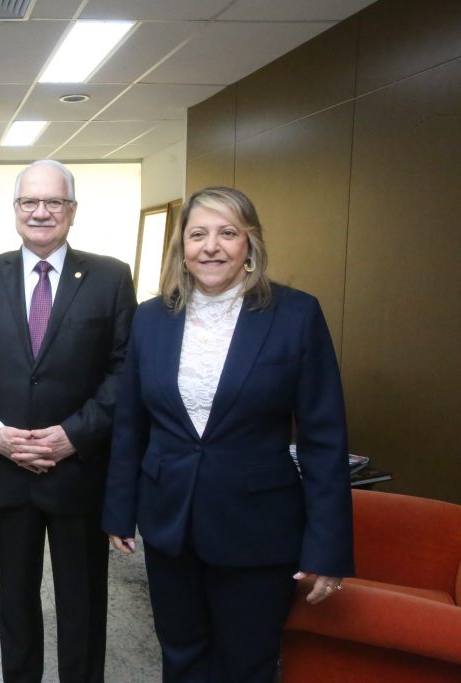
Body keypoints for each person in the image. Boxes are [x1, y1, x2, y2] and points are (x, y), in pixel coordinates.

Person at [102, 186, 354, 683]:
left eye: (227, 233)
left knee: (247, 661)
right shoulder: (152, 319)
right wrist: (119, 509)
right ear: (182, 248)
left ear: (250, 244)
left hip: (258, 528)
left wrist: (328, 547)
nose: (211, 246)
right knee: (180, 654)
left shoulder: (296, 315)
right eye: (198, 234)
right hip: (170, 521)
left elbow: (325, 438)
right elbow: (131, 422)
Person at [0, 160, 137, 682]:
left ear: (72, 211)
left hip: (79, 469)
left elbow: (125, 369)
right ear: (15, 210)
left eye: (54, 202)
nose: (41, 212)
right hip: (6, 467)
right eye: (29, 201)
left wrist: (75, 434)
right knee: (15, 596)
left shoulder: (111, 276)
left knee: (83, 598)